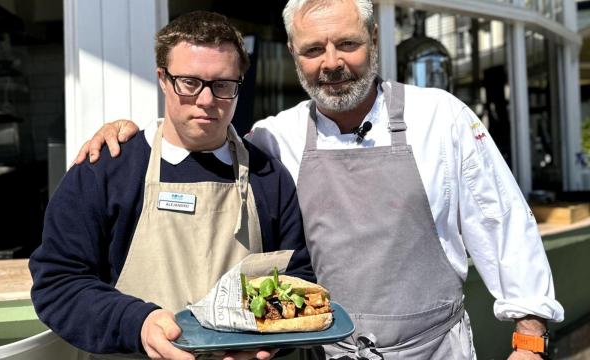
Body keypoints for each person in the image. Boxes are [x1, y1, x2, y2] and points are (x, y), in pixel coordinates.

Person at [76, 0, 564, 359]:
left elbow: (503, 226)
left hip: (434, 350)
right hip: (323, 354)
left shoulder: (442, 118)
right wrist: (130, 133)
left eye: (347, 43)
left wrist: (529, 338)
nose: (331, 62)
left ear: (373, 40)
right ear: (293, 53)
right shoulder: (274, 137)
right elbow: (198, 129)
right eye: (313, 49)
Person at [30, 11, 314, 360]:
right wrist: (137, 323)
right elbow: (58, 283)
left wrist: (267, 342)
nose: (207, 100)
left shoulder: (268, 177)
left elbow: (297, 279)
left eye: (223, 85)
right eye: (189, 83)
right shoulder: (106, 170)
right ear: (163, 79)